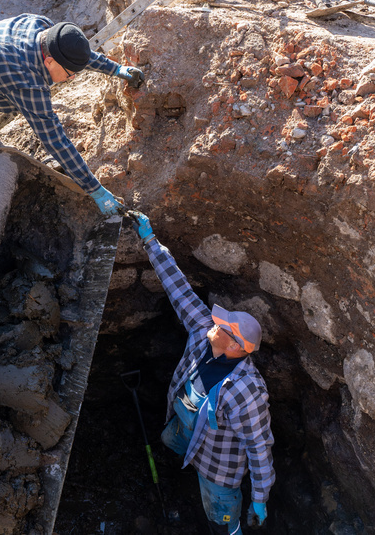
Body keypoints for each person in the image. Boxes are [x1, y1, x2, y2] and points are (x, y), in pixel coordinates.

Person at [130, 211, 275, 534]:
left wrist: (260, 498)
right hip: (183, 428)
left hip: (217, 468)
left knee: (221, 523)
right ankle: (181, 474)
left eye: (223, 326)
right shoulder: (202, 332)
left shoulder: (246, 391)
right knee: (170, 445)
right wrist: (151, 242)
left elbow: (259, 446)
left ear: (237, 346)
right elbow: (178, 288)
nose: (214, 322)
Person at [0, 13, 144, 214]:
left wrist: (116, 69)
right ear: (49, 61)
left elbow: (76, 54)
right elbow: (56, 142)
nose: (73, 78)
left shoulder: (44, 29)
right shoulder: (26, 80)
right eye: (69, 75)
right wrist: (96, 191)